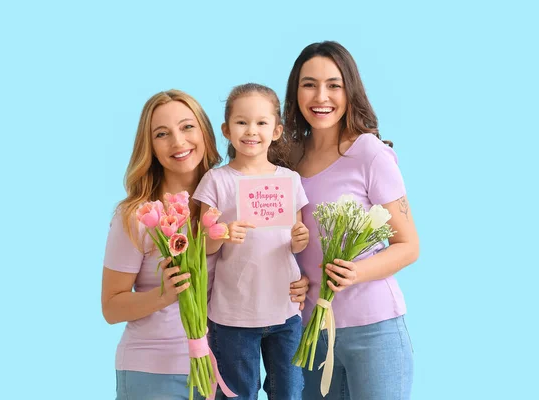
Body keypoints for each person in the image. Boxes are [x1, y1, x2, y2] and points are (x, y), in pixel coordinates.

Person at [101, 89, 310, 400]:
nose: (178, 141)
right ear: (151, 147)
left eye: (187, 127)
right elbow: (111, 307)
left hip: (220, 370)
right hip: (156, 371)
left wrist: (292, 281)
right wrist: (165, 295)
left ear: (207, 133)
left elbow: (261, 256)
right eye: (162, 134)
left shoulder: (232, 197)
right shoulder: (139, 216)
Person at [284, 41, 420, 400]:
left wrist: (355, 273)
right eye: (309, 84)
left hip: (374, 332)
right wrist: (293, 278)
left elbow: (408, 246)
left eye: (334, 85)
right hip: (311, 332)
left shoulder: (370, 154)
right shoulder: (286, 159)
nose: (321, 96)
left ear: (350, 90)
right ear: (295, 91)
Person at [193, 83, 310, 400]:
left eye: (261, 122)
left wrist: (301, 238)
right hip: (233, 315)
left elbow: (295, 241)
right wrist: (222, 234)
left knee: (288, 391)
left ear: (276, 130)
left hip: (284, 310)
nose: (251, 131)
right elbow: (202, 246)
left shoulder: (289, 180)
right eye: (242, 122)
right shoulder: (216, 181)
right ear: (226, 130)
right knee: (237, 393)